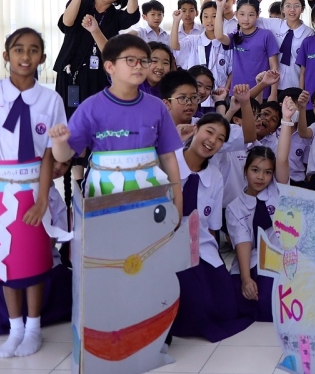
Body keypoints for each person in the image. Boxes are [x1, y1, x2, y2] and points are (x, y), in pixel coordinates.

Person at [0, 28, 74, 358]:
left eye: (33, 50)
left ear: (43, 57)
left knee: (32, 261)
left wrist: (43, 201)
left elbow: (49, 154)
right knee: (5, 260)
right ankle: (15, 328)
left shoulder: (50, 99)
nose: (25, 56)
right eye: (18, 49)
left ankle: (33, 328)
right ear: (6, 55)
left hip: (32, 188)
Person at [67, 35, 182, 215]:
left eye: (144, 61)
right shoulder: (90, 107)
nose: (139, 65)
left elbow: (168, 157)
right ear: (110, 66)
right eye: (130, 60)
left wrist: (178, 203)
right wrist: (58, 141)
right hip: (103, 195)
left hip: (150, 195)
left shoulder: (157, 107)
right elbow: (67, 153)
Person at [170, 114, 254, 341]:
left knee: (226, 307)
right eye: (209, 132)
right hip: (167, 247)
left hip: (200, 246)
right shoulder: (168, 162)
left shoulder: (215, 176)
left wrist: (213, 265)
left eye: (220, 139)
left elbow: (212, 228)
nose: (212, 141)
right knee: (196, 307)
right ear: (195, 129)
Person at [0, 156, 74, 338]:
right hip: (11, 267)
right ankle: (18, 321)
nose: (58, 167)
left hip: (42, 266)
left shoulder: (55, 198)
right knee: (5, 293)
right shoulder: (11, 190)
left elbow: (52, 242)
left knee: (69, 286)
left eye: (65, 164)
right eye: (54, 161)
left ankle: (30, 322)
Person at [54, 0, 142, 116]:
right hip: (69, 73)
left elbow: (131, 16)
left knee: (94, 118)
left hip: (97, 77)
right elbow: (67, 23)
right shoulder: (82, 3)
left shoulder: (116, 16)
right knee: (67, 118)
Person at [225, 146, 278, 322]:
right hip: (251, 260)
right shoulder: (235, 207)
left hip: (278, 260)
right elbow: (243, 242)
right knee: (235, 299)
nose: (261, 177)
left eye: (267, 172)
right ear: (245, 170)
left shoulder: (278, 194)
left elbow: (284, 159)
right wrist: (245, 278)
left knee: (269, 301)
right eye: (255, 170)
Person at [172, 3, 232, 111]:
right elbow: (174, 46)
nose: (210, 20)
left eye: (214, 16)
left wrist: (226, 90)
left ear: (221, 18)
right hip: (194, 98)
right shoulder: (193, 40)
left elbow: (232, 70)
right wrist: (176, 21)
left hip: (217, 97)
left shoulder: (227, 43)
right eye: (206, 16)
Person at [256, 0, 313, 100]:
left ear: (302, 9)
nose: (292, 10)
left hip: (295, 85)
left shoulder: (309, 33)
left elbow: (307, 66)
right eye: (288, 6)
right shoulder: (274, 24)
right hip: (273, 85)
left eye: (296, 6)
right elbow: (251, 15)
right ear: (282, 9)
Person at [228, 0, 280, 100]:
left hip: (261, 93)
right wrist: (219, 7)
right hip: (236, 92)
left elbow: (274, 66)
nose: (246, 19)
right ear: (236, 14)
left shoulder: (266, 35)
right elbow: (219, 36)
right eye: (242, 14)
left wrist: (273, 94)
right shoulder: (234, 36)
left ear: (257, 15)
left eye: (251, 15)